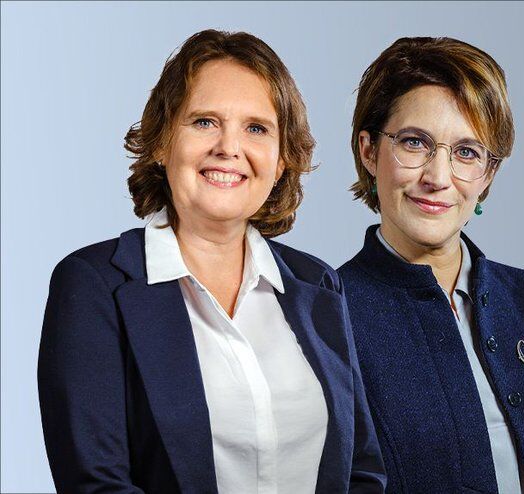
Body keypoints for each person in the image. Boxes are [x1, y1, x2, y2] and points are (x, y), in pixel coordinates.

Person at [38, 29, 385, 494]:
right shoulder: (94, 285)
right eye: (204, 122)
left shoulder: (316, 282)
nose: (228, 147)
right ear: (161, 143)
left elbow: (362, 470)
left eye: (256, 128)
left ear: (281, 160)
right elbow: (95, 484)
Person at [338, 36, 524, 493]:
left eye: (467, 152)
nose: (438, 178)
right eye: (415, 143)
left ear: (489, 174)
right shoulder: (326, 312)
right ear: (369, 151)